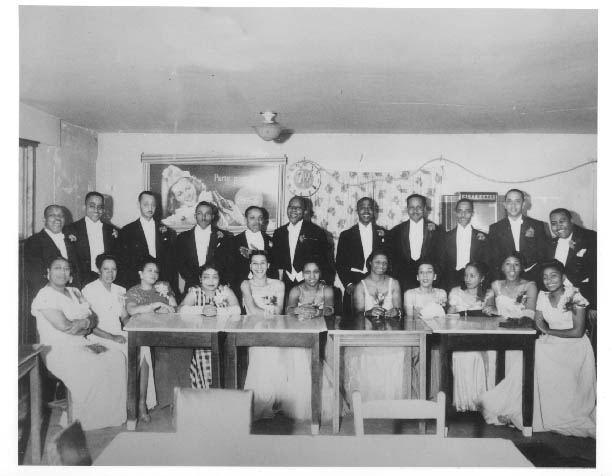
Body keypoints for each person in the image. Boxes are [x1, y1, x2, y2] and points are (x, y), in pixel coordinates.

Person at [479, 260, 596, 437]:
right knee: (533, 351)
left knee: (537, 352)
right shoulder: (542, 296)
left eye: (554, 276)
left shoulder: (575, 296)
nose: (549, 281)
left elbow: (577, 332)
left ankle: (523, 409)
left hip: (574, 347)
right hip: (552, 343)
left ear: (563, 277)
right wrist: (544, 331)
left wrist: (549, 332)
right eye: (545, 277)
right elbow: (538, 321)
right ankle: (516, 407)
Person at [31, 256, 126, 430]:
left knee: (117, 357)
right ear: (48, 272)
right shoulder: (44, 295)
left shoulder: (75, 292)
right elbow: (65, 326)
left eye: (66, 269)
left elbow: (93, 318)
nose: (62, 272)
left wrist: (83, 324)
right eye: (57, 268)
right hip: (57, 349)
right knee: (94, 365)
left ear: (70, 274)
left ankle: (107, 415)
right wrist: (85, 325)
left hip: (81, 343)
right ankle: (83, 418)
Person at [125, 256, 189, 419]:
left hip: (167, 331)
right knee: (163, 354)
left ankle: (182, 399)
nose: (153, 274)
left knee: (184, 350)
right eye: (149, 271)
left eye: (156, 271)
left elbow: (175, 309)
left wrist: (169, 297)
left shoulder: (163, 286)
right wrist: (156, 306)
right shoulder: (133, 291)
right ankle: (166, 401)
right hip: (146, 335)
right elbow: (132, 310)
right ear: (140, 273)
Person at [344, 250, 409, 404]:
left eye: (385, 263)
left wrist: (396, 311)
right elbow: (357, 314)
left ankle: (392, 403)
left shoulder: (394, 283)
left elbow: (400, 310)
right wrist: (369, 312)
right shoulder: (361, 285)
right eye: (378, 262)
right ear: (370, 263)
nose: (381, 265)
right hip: (367, 336)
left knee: (399, 354)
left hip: (391, 336)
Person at [240, 251, 287, 418]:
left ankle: (276, 401)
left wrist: (270, 315)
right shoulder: (245, 284)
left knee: (277, 358)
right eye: (255, 263)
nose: (259, 267)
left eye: (262, 263)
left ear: (268, 265)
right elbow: (252, 310)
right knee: (260, 357)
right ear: (250, 265)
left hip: (274, 328)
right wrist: (266, 313)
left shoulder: (278, 284)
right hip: (254, 330)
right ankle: (260, 403)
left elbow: (278, 311)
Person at [179, 263, 240, 389]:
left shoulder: (225, 290)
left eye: (215, 277)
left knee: (226, 376)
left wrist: (218, 311)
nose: (211, 281)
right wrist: (201, 310)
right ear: (200, 279)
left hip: (224, 341)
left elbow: (237, 310)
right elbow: (181, 309)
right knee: (205, 377)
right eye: (206, 277)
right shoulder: (195, 292)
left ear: (219, 278)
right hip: (203, 342)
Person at [447, 261, 495, 411]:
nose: (467, 279)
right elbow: (449, 316)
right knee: (463, 355)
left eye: (472, 276)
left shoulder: (488, 293)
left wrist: (490, 310)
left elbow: (491, 313)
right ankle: (464, 403)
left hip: (480, 338)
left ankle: (479, 403)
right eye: (466, 275)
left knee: (485, 355)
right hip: (459, 337)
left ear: (482, 278)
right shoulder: (456, 292)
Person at [271, 196, 335, 296]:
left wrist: (323, 283)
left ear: (305, 211)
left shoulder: (317, 232)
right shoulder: (279, 233)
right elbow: (275, 261)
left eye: (298, 208)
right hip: (285, 283)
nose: (293, 210)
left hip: (310, 282)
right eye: (291, 206)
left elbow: (326, 261)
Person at [336, 197, 388, 319]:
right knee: (351, 321)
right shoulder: (346, 235)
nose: (366, 211)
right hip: (353, 283)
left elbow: (388, 261)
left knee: (378, 319)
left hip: (377, 283)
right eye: (362, 208)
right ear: (357, 210)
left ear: (374, 211)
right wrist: (348, 284)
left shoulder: (384, 233)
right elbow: (340, 263)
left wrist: (384, 284)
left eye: (369, 208)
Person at [117, 191, 177, 292]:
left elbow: (171, 265)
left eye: (153, 204)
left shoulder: (168, 232)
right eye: (146, 204)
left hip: (161, 285)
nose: (150, 208)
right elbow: (124, 263)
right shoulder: (127, 231)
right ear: (138, 205)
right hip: (136, 284)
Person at [403, 261, 447, 398]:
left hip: (435, 336)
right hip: (416, 336)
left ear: (435, 276)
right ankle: (417, 396)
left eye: (429, 271)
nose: (425, 275)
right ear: (417, 276)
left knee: (438, 353)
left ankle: (434, 398)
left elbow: (441, 319)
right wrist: (431, 312)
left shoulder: (441, 293)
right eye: (421, 272)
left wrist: (421, 312)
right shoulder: (410, 294)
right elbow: (411, 319)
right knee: (415, 352)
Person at [488, 189, 548, 281]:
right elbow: (494, 260)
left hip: (532, 277)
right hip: (505, 278)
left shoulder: (537, 225)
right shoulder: (495, 228)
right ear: (504, 205)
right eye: (509, 201)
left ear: (523, 204)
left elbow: (543, 256)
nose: (513, 205)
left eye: (517, 201)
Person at [63, 192, 120, 286]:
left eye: (100, 207)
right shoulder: (70, 229)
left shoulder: (112, 231)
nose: (96, 210)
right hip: (81, 282)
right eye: (92, 206)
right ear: (84, 207)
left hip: (106, 281)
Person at [388, 194, 442, 292]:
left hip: (428, 282)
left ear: (424, 208)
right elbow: (392, 258)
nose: (415, 211)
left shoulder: (437, 231)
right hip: (403, 282)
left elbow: (440, 259)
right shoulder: (396, 231)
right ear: (407, 209)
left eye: (419, 207)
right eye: (411, 207)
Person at [25, 205, 82, 296]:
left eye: (61, 216)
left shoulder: (70, 240)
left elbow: (77, 272)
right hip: (48, 296)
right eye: (52, 215)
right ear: (44, 219)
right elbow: (36, 278)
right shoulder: (34, 242)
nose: (58, 219)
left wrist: (76, 295)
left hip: (72, 294)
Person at [176, 201, 233, 292]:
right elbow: (181, 264)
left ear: (213, 216)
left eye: (207, 214)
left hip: (218, 287)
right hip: (192, 287)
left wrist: (217, 282)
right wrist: (194, 283)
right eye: (200, 214)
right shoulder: (183, 237)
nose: (203, 217)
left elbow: (228, 264)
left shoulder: (225, 237)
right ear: (195, 216)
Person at [548, 208, 597, 309]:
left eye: (562, 221)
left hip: (586, 299)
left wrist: (595, 305)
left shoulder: (591, 237)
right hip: (558, 299)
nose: (558, 226)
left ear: (571, 221)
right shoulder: (550, 243)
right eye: (554, 223)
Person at [224, 205, 272, 303]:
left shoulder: (271, 241)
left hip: (266, 289)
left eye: (260, 218)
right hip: (239, 290)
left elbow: (274, 267)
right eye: (252, 218)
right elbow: (229, 269)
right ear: (245, 219)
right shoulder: (233, 242)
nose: (256, 221)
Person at [440, 198, 490, 292]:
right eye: (460, 211)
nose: (463, 214)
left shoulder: (483, 237)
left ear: (472, 213)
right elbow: (442, 264)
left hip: (474, 282)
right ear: (455, 212)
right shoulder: (445, 237)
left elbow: (486, 264)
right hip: (450, 282)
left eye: (467, 211)